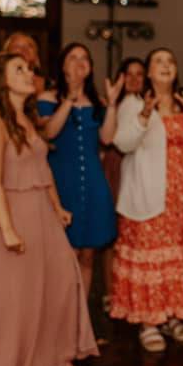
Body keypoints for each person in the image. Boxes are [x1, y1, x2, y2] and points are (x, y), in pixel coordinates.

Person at [0, 52, 97, 366]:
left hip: (42, 213)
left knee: (56, 285)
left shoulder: (29, 120)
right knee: (12, 296)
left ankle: (43, 360)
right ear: (1, 80)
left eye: (29, 69)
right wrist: (7, 229)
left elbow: (44, 169)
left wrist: (57, 207)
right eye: (19, 69)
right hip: (11, 213)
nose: (29, 74)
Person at [112, 48, 183, 353]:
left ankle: (172, 316)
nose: (165, 66)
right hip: (149, 197)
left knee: (178, 261)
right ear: (148, 71)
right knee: (153, 260)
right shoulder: (134, 104)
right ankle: (149, 321)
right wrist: (146, 115)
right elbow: (122, 143)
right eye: (158, 61)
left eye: (170, 61)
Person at [38, 43, 123, 300]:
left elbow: (107, 139)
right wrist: (70, 99)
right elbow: (49, 132)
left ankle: (81, 321)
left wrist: (112, 105)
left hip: (94, 183)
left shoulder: (97, 101)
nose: (79, 62)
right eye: (73, 57)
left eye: (84, 57)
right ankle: (59, 319)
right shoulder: (47, 98)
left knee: (88, 254)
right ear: (63, 65)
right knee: (66, 254)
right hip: (63, 181)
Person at [100, 57, 145, 312]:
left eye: (139, 74)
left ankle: (126, 289)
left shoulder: (148, 104)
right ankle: (109, 292)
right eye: (129, 74)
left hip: (139, 169)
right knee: (112, 233)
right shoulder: (114, 104)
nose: (134, 79)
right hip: (116, 165)